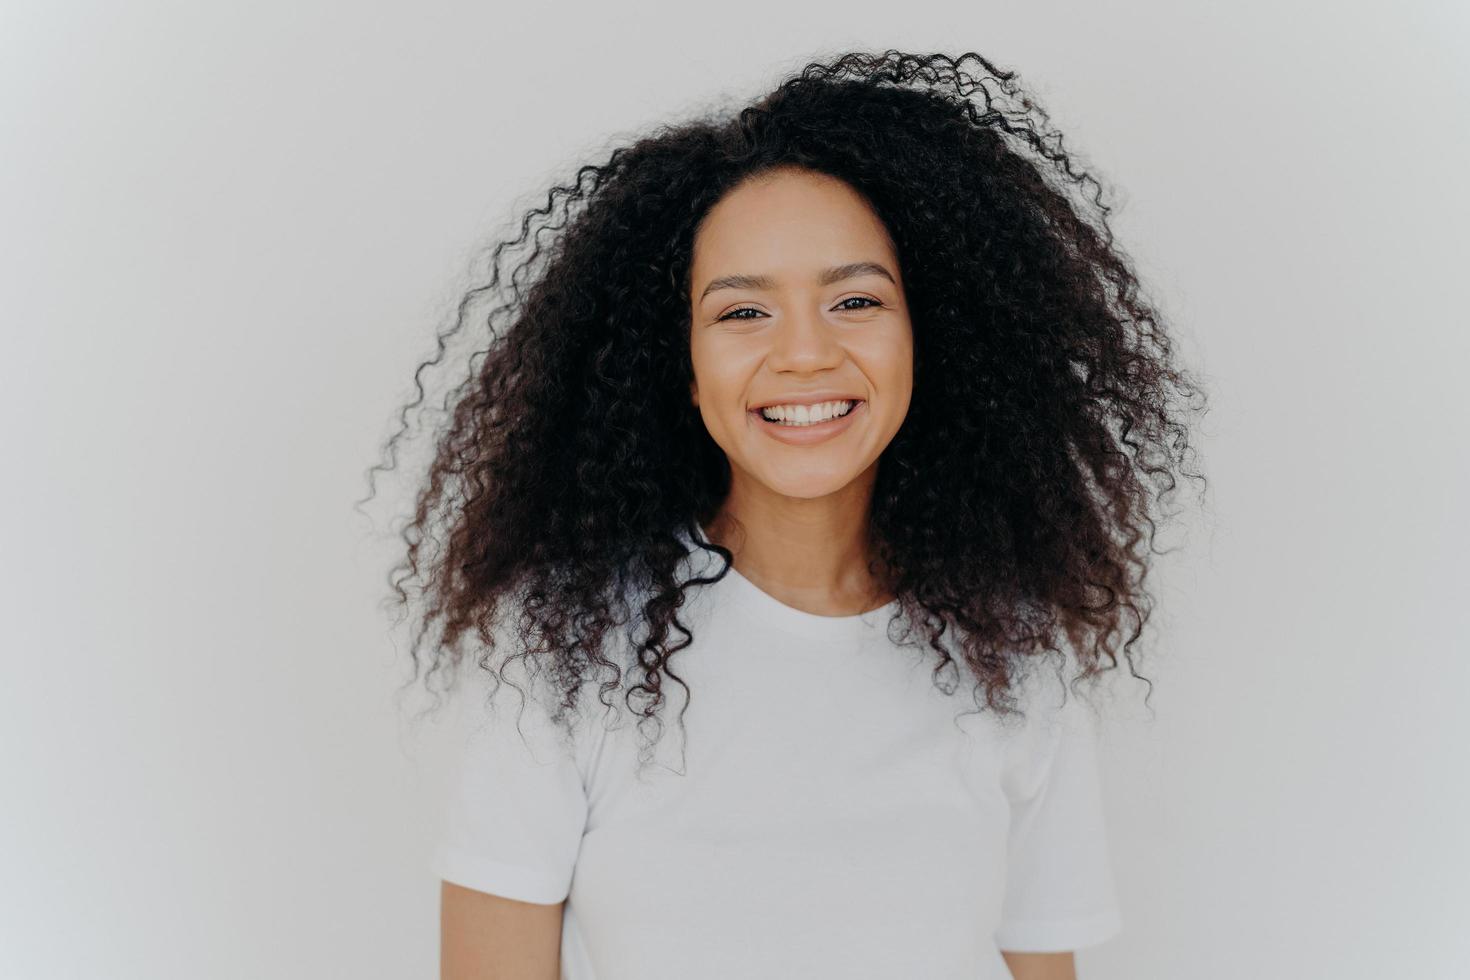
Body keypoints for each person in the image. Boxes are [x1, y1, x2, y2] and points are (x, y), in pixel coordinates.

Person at [367, 49, 1208, 980]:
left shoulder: (1016, 648)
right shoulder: (569, 648)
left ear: (933, 338)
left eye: (855, 300)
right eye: (742, 314)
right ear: (681, 368)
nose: (805, 353)